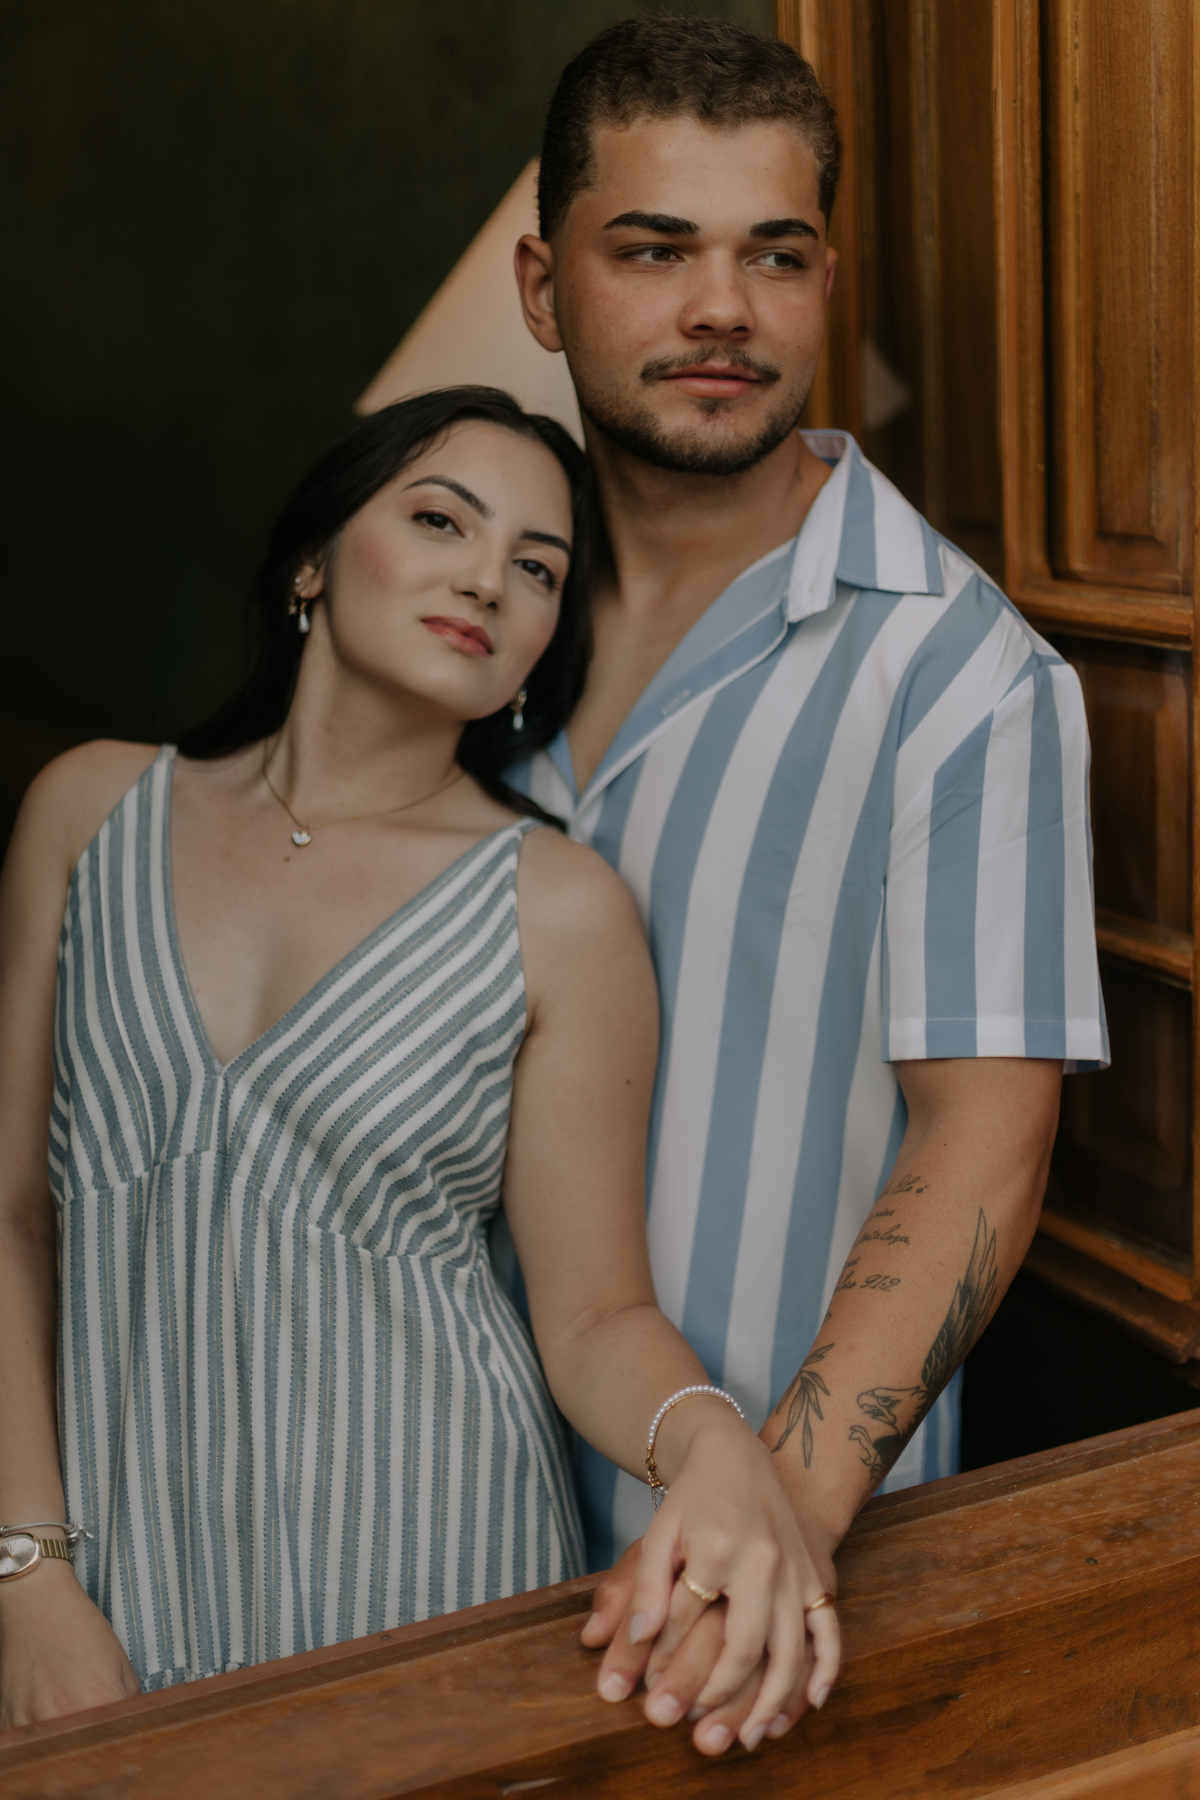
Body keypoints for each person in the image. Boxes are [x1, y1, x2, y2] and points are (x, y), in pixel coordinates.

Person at [0, 387, 834, 1742]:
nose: (487, 580)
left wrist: (714, 1446)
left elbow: (592, 1316)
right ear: (313, 562)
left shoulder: (557, 909)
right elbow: (13, 1219)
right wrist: (28, 1576)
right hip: (109, 1579)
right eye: (443, 521)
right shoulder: (87, 812)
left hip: (430, 1577)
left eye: (538, 568)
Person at [505, 15, 1108, 1754]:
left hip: (743, 1601)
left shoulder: (964, 676)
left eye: (775, 255)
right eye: (654, 251)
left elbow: (986, 1136)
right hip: (432, 1528)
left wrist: (766, 1530)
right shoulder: (474, 624)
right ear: (545, 288)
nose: (723, 308)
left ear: (825, 281)